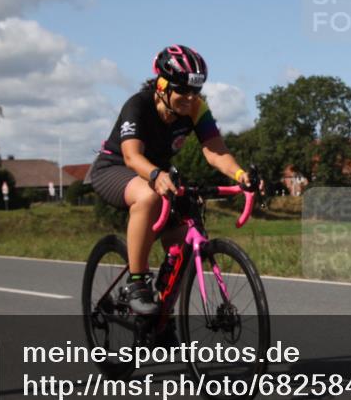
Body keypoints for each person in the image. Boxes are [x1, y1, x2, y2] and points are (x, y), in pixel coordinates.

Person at [89, 45, 254, 315]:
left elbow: (216, 151)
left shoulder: (196, 109)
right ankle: (137, 282)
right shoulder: (138, 105)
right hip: (116, 168)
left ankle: (160, 319)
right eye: (183, 90)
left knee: (185, 244)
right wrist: (155, 175)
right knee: (149, 195)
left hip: (159, 175)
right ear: (162, 85)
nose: (190, 98)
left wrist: (240, 174)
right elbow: (132, 157)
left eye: (196, 91)